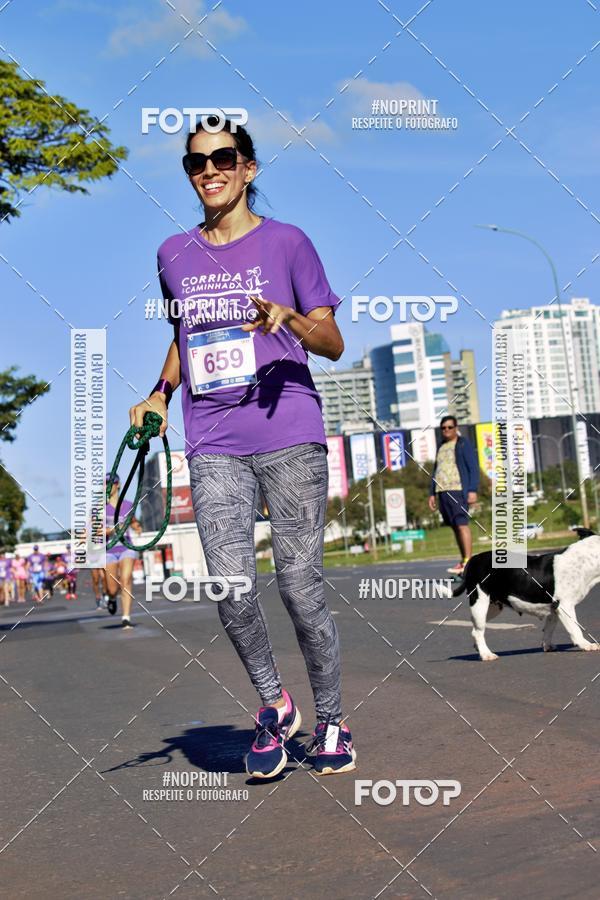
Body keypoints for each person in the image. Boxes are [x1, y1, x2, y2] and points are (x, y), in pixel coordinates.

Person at [129, 117, 357, 779]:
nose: (209, 170)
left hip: (288, 431)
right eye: (196, 162)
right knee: (230, 587)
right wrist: (158, 396)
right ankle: (274, 703)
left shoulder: (288, 244)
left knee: (300, 587)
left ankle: (333, 721)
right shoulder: (173, 253)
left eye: (223, 158)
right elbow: (183, 339)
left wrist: (290, 319)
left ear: (248, 168)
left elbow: (333, 341)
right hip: (213, 440)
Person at [428, 416, 480, 576]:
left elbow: (473, 467)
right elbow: (436, 470)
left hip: (457, 490)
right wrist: (431, 493)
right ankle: (464, 559)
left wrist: (472, 489)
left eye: (450, 427)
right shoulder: (441, 447)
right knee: (454, 526)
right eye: (443, 428)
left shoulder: (463, 443)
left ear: (456, 427)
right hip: (442, 492)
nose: (446, 430)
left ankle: (468, 562)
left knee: (461, 524)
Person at [105, 473, 142, 628]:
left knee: (126, 579)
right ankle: (112, 598)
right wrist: (111, 530)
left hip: (127, 547)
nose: (109, 486)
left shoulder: (127, 505)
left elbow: (134, 522)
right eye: (106, 483)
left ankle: (126, 617)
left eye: (111, 483)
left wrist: (137, 527)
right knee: (112, 589)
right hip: (109, 550)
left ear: (118, 484)